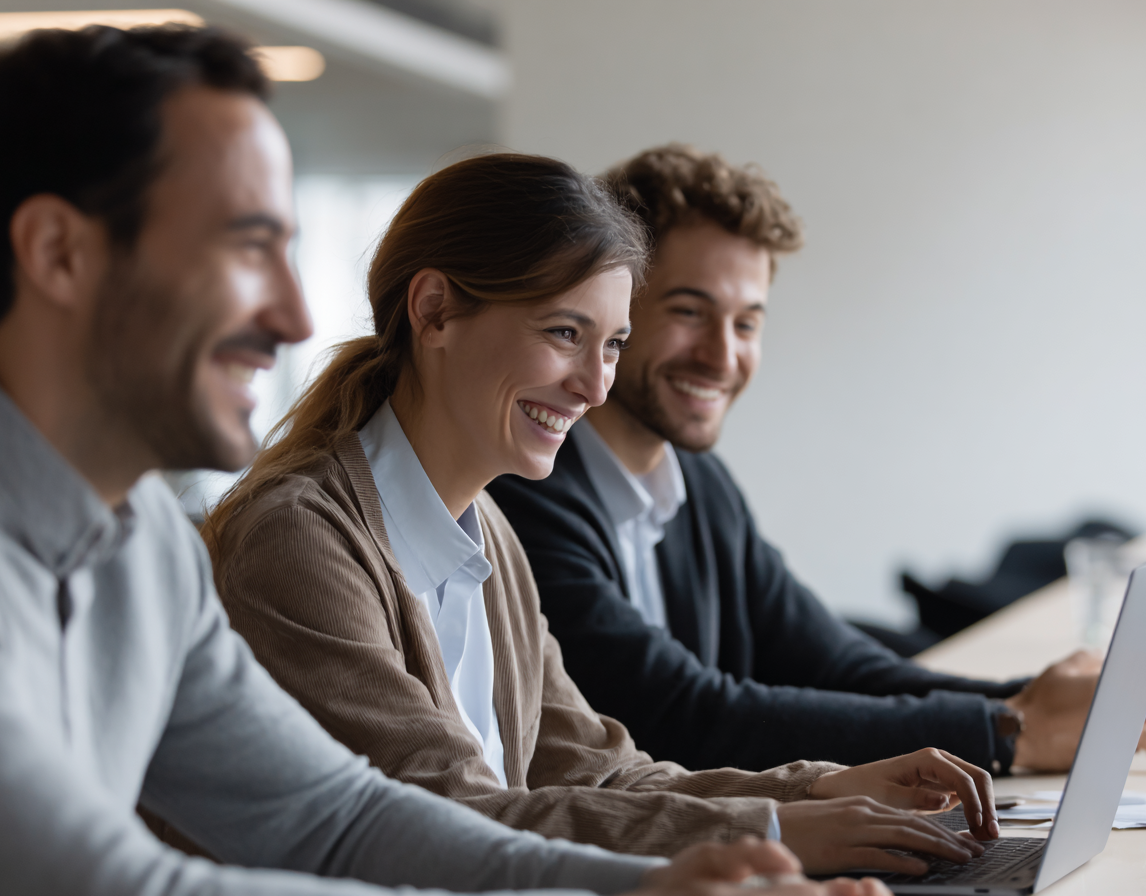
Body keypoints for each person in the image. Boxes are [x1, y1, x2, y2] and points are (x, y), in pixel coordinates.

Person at [0, 27, 883, 896]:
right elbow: (104, 883)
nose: (296, 317)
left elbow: (338, 817)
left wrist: (645, 885)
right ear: (58, 253)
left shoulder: (147, 552)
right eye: (247, 246)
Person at [202, 151, 997, 881]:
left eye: (612, 344)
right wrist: (777, 830)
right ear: (436, 310)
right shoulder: (300, 538)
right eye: (563, 334)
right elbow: (446, 818)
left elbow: (601, 772)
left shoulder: (487, 533)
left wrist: (821, 788)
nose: (593, 385)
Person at [486, 144, 1146, 776]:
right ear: (618, 308)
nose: (723, 356)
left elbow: (831, 661)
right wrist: (1004, 730)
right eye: (690, 312)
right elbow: (680, 715)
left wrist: (1035, 702)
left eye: (748, 322)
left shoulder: (697, 482)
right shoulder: (526, 487)